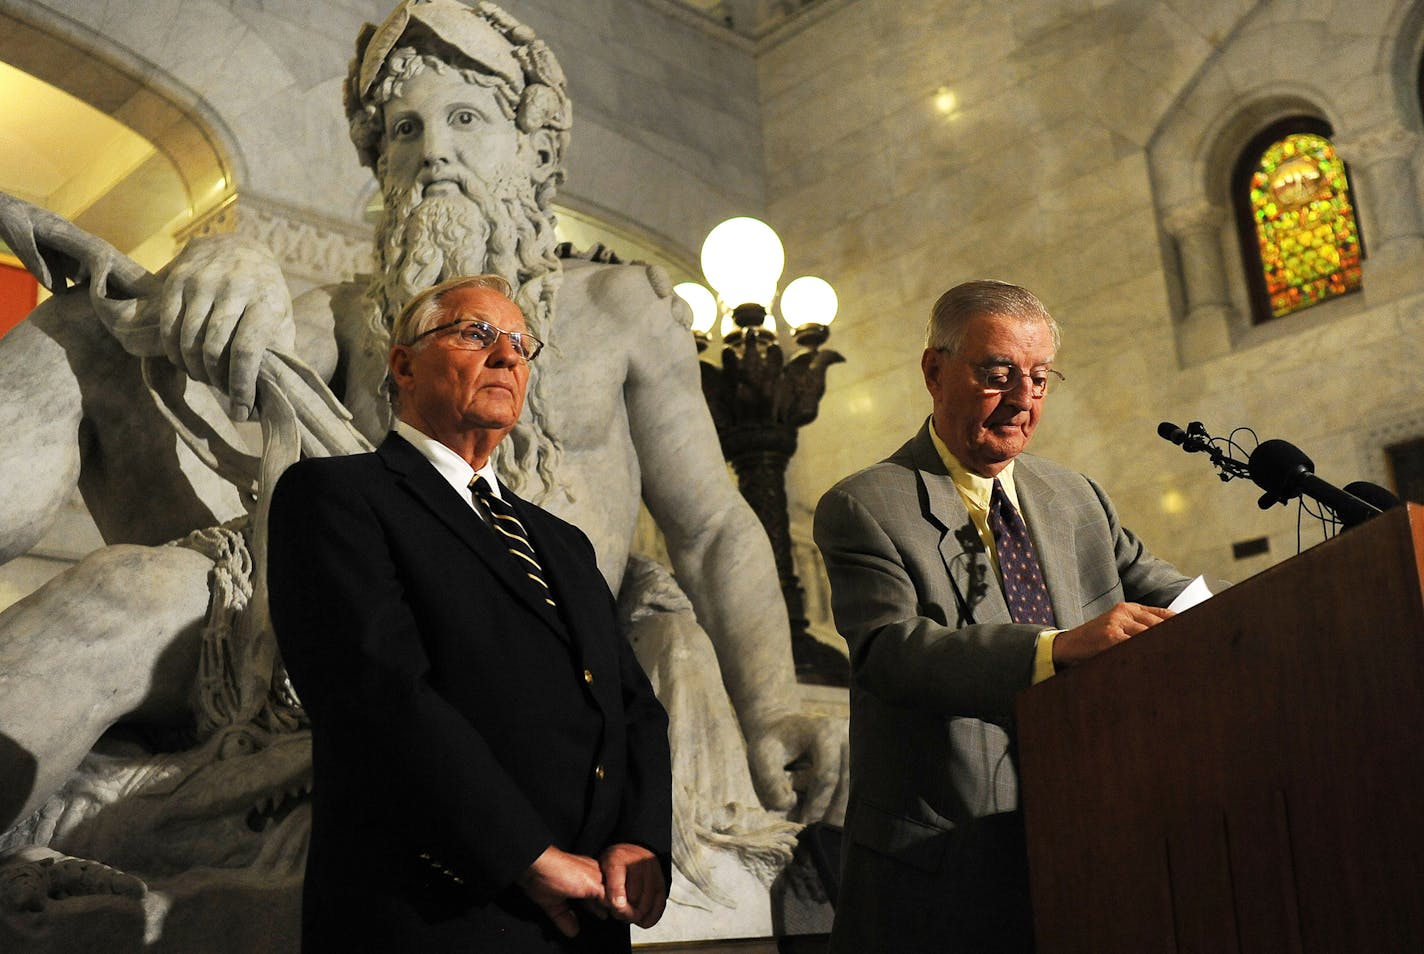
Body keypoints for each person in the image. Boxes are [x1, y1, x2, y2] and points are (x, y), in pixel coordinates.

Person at [0, 0, 843, 848]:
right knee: (84, 355)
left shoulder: (616, 310)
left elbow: (709, 529)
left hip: (520, 643)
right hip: (337, 619)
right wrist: (227, 263)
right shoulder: (349, 316)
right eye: (403, 129)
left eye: (465, 118)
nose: (431, 149)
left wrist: (771, 706)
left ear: (535, 149)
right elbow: (200, 373)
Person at [267, 273, 671, 952]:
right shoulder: (336, 497)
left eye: (519, 343)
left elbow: (632, 705)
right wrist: (527, 857)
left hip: (592, 916)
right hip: (435, 913)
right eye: (476, 333)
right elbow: (378, 697)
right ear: (402, 364)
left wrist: (640, 838)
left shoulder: (563, 542)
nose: (508, 356)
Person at [813, 280, 1192, 953]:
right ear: (934, 371)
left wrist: (1271, 611)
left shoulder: (1075, 497)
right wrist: (1056, 650)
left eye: (1041, 379)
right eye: (998, 376)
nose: (1023, 400)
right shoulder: (866, 505)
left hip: (1090, 846)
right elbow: (893, 653)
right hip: (942, 869)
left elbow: (1169, 593)